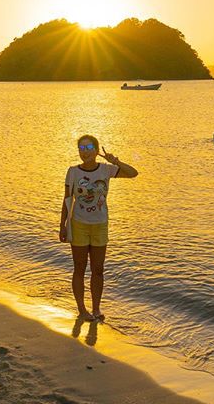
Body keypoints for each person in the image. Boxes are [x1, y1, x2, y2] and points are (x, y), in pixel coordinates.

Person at [59, 134, 138, 321]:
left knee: (98, 269)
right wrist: (62, 224)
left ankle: (96, 309)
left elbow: (133, 173)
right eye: (81, 148)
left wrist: (115, 161)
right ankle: (82, 310)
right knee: (79, 267)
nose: (84, 152)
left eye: (88, 148)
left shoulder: (106, 170)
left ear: (96, 150)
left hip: (100, 225)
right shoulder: (73, 172)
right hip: (78, 224)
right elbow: (67, 200)